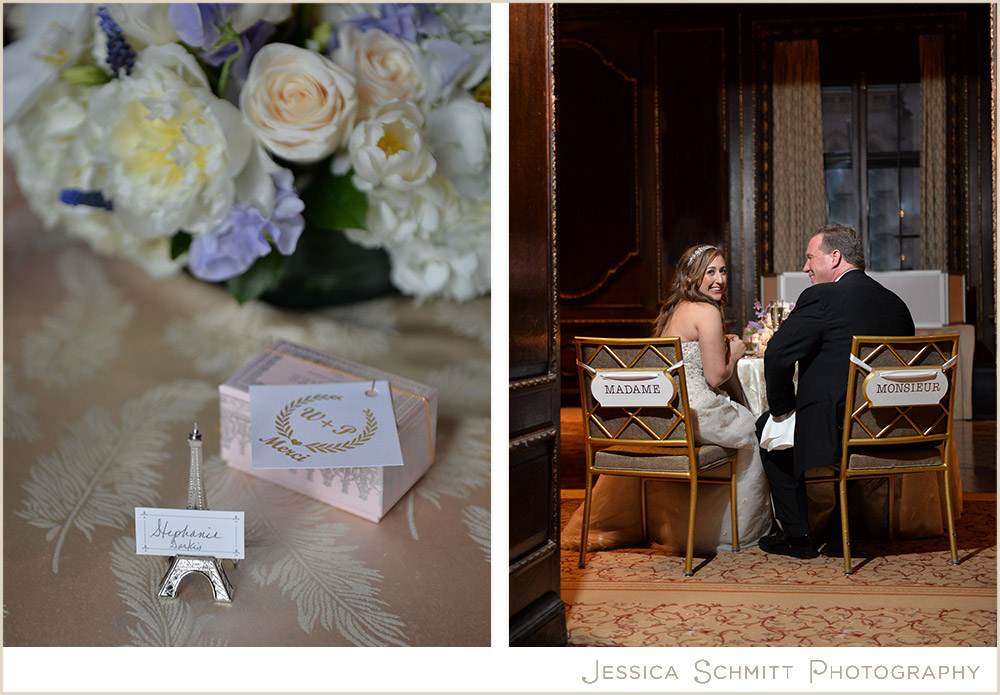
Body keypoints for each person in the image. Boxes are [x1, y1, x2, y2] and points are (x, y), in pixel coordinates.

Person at [562, 244, 774, 555]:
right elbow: (716, 377)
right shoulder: (708, 312)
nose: (719, 279)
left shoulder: (674, 311)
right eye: (710, 271)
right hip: (696, 412)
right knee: (750, 429)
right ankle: (727, 532)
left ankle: (668, 522)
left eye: (723, 270)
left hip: (664, 416)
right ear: (692, 276)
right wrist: (736, 353)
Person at [756, 223, 915, 559]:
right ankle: (855, 519)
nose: (805, 267)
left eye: (810, 258)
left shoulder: (822, 296)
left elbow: (777, 354)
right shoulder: (896, 304)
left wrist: (783, 411)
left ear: (835, 257)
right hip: (892, 424)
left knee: (768, 428)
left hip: (837, 427)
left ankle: (799, 535)